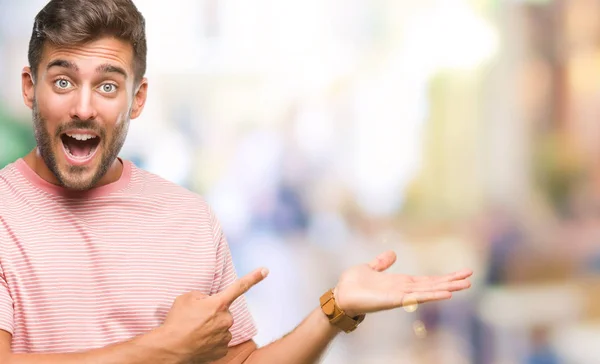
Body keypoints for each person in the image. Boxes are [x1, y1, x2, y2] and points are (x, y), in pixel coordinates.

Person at [0, 0, 473, 362]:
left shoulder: (188, 219)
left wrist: (335, 309)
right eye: (63, 81)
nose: (84, 107)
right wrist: (165, 347)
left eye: (107, 85)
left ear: (137, 98)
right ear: (29, 87)